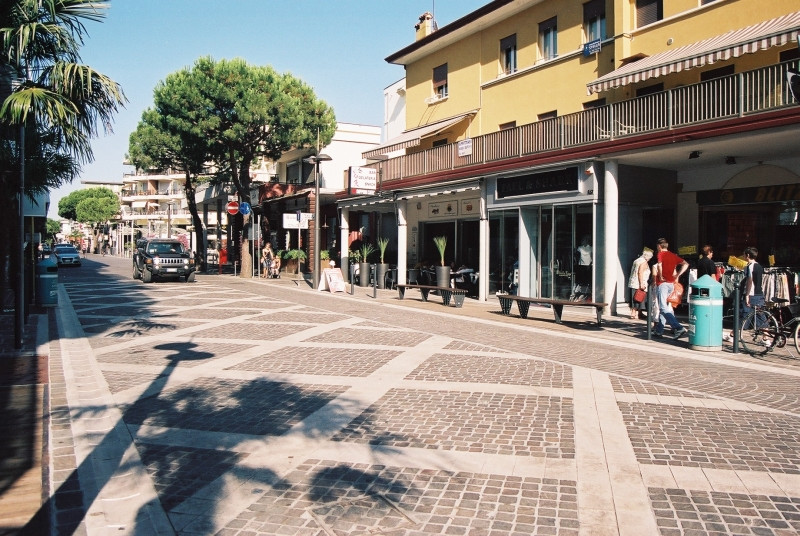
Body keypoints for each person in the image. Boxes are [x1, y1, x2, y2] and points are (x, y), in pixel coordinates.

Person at [652, 238, 689, 339]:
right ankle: (659, 330)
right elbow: (686, 264)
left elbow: (659, 265)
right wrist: (677, 275)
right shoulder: (673, 255)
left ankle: (678, 327)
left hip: (663, 284)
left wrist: (660, 275)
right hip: (671, 284)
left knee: (663, 307)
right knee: (665, 308)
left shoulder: (660, 254)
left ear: (659, 246)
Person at [725, 246, 764, 341]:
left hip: (751, 294)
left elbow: (750, 281)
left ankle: (733, 335)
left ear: (747, 255)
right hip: (759, 294)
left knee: (743, 314)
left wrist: (746, 295)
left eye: (744, 255)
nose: (743, 256)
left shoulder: (749, 267)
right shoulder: (759, 266)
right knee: (761, 316)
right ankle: (766, 338)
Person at [628, 247, 653, 320]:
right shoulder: (644, 262)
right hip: (639, 283)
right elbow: (640, 272)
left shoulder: (636, 260)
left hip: (633, 282)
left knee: (635, 298)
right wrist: (641, 283)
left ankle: (639, 313)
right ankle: (633, 313)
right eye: (650, 257)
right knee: (639, 298)